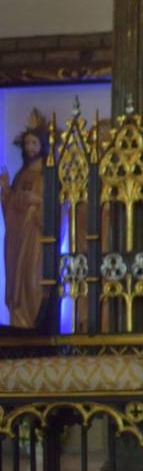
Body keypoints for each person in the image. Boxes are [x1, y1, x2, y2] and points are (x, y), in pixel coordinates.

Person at [1, 120, 47, 328]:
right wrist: (5, 190)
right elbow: (10, 208)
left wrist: (36, 201)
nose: (30, 148)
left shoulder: (47, 175)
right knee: (16, 280)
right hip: (18, 237)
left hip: (35, 235)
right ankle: (19, 322)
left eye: (34, 143)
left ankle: (34, 322)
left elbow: (55, 208)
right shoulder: (20, 175)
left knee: (32, 279)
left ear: (42, 146)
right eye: (27, 143)